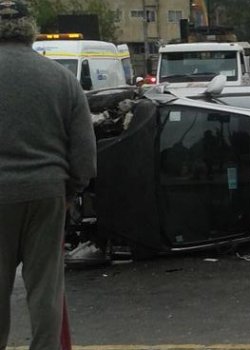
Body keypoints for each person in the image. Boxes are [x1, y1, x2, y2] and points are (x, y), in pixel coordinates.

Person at [0, 1, 97, 349]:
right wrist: (72, 189)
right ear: (30, 28)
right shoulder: (61, 78)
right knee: (45, 289)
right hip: (46, 193)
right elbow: (85, 152)